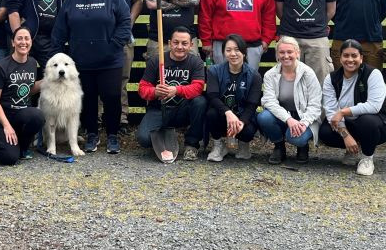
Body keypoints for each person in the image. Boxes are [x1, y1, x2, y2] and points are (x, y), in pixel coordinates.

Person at [51, 0, 132, 154]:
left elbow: (125, 22)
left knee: (112, 97)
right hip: (81, 62)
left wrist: (113, 45)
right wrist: (58, 53)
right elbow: (61, 28)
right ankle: (92, 135)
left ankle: (112, 135)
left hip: (109, 60)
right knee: (87, 99)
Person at [319, 39, 386, 176]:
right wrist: (345, 135)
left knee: (367, 122)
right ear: (340, 58)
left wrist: (343, 111)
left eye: (354, 56)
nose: (350, 60)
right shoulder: (331, 78)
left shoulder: (373, 74)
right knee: (325, 132)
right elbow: (330, 110)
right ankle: (351, 150)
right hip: (347, 124)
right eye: (346, 55)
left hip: (375, 123)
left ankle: (367, 157)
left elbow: (374, 106)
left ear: (361, 58)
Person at [137, 27, 207, 161]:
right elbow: (142, 88)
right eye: (176, 42)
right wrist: (154, 92)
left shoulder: (195, 62)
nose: (180, 47)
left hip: (182, 109)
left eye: (184, 43)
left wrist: (176, 90)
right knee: (144, 139)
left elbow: (198, 88)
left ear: (191, 45)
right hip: (158, 109)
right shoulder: (156, 61)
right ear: (169, 43)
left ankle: (191, 145)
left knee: (200, 102)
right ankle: (163, 135)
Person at [257, 36, 322, 164]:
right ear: (277, 55)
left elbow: (315, 104)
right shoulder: (270, 74)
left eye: (290, 52)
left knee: (296, 138)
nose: (286, 56)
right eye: (282, 52)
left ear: (297, 53)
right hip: (284, 117)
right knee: (263, 117)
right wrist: (289, 119)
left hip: (304, 116)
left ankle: (302, 146)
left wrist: (303, 123)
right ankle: (279, 146)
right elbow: (269, 101)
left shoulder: (308, 73)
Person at [99, 0, 143, 125]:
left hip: (123, 33)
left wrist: (129, 22)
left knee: (122, 76)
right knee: (98, 76)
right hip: (99, 34)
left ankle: (121, 116)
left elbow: (137, 0)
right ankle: (99, 115)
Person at [0, 26, 45, 165]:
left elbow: (28, 89)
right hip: (1, 117)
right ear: (13, 42)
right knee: (9, 159)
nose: (23, 42)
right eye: (19, 38)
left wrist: (48, 80)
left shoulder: (32, 63)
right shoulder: (1, 67)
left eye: (26, 38)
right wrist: (6, 125)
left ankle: (23, 147)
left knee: (37, 116)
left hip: (21, 114)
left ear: (31, 42)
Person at [205, 34, 262, 162]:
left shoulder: (254, 75)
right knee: (211, 114)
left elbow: (252, 104)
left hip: (242, 115)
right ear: (224, 53)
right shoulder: (214, 71)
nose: (233, 54)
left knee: (248, 131)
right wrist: (228, 113)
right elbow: (213, 97)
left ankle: (243, 144)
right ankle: (218, 145)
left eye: (237, 50)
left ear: (244, 52)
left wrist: (241, 122)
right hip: (222, 114)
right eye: (228, 50)